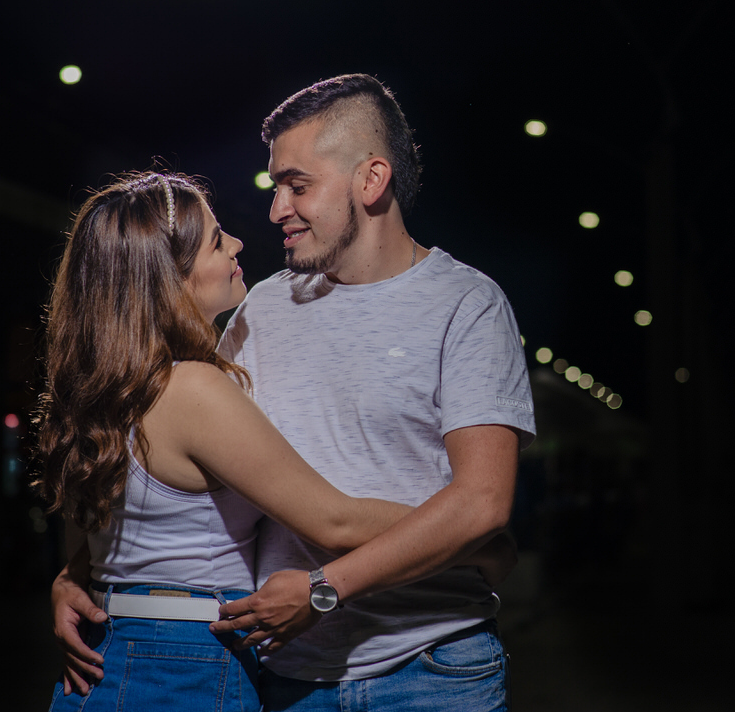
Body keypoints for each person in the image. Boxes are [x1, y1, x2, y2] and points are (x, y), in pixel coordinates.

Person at [55, 73, 536, 712]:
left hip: (429, 666)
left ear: (371, 181)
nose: (277, 208)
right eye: (277, 185)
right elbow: (159, 458)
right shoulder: (263, 306)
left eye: (297, 185)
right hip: (285, 673)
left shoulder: (466, 305)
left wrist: (324, 588)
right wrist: (78, 575)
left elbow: (482, 502)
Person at [32, 171, 419, 710]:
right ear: (171, 277)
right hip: (185, 659)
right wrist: (466, 530)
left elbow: (98, 535)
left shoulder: (102, 388)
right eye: (218, 240)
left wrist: (72, 576)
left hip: (117, 647)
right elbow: (335, 520)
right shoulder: (190, 387)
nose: (238, 243)